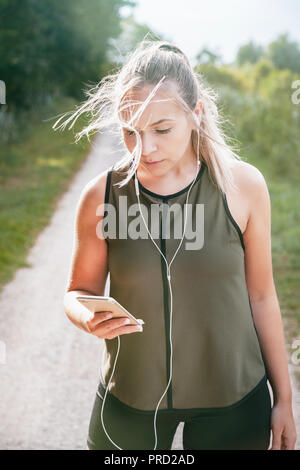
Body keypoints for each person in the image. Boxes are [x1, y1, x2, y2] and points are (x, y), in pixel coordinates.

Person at [56, 39, 297, 450]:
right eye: (130, 132)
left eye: (162, 130)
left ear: (196, 114)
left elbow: (261, 295)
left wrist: (286, 399)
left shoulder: (243, 187)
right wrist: (85, 316)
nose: (144, 148)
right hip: (130, 400)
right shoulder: (103, 197)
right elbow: (77, 292)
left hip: (234, 400)